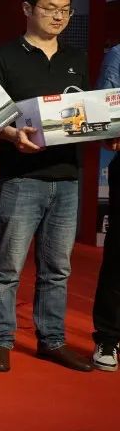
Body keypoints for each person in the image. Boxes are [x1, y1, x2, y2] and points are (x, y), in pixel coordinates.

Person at [0, 0, 92, 372]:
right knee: (8, 266)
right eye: (50, 8)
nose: (58, 16)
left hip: (67, 177)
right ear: (27, 9)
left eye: (65, 10)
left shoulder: (76, 59)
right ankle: (0, 339)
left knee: (57, 268)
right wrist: (13, 134)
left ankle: (52, 340)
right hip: (22, 177)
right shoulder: (2, 57)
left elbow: (86, 112)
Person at [92, 42, 120, 372]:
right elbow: (105, 111)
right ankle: (109, 337)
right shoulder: (118, 55)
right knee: (118, 257)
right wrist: (111, 130)